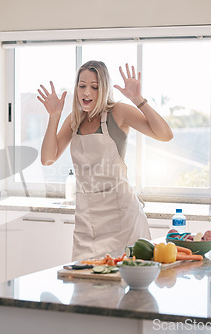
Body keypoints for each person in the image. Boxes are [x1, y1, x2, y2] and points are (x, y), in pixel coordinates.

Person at [38, 61, 173, 261]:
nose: (87, 92)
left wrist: (138, 99)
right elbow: (48, 158)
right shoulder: (74, 120)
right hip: (88, 217)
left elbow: (165, 135)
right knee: (84, 283)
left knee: (127, 281)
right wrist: (54, 116)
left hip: (123, 216)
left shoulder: (118, 112)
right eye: (82, 85)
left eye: (95, 87)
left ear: (104, 89)